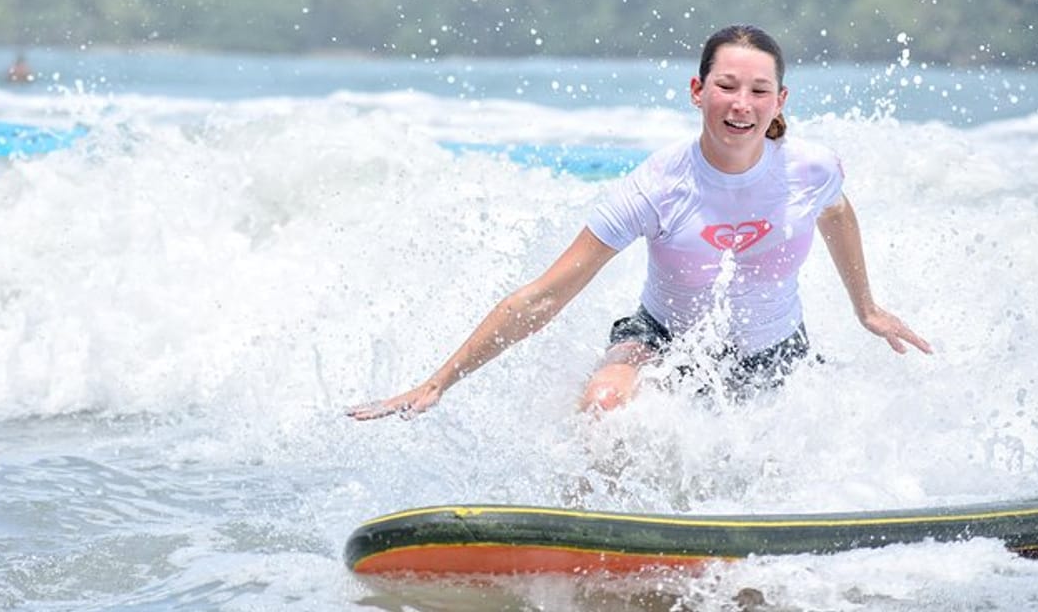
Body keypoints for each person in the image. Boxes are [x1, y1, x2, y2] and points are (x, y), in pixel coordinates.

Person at [348, 24, 932, 422]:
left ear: (780, 100)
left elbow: (837, 212)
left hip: (776, 356)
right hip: (663, 341)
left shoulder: (811, 169)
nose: (741, 104)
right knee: (604, 405)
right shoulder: (657, 187)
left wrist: (867, 307)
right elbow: (542, 298)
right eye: (726, 86)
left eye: (759, 91)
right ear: (697, 91)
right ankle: (585, 530)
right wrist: (438, 382)